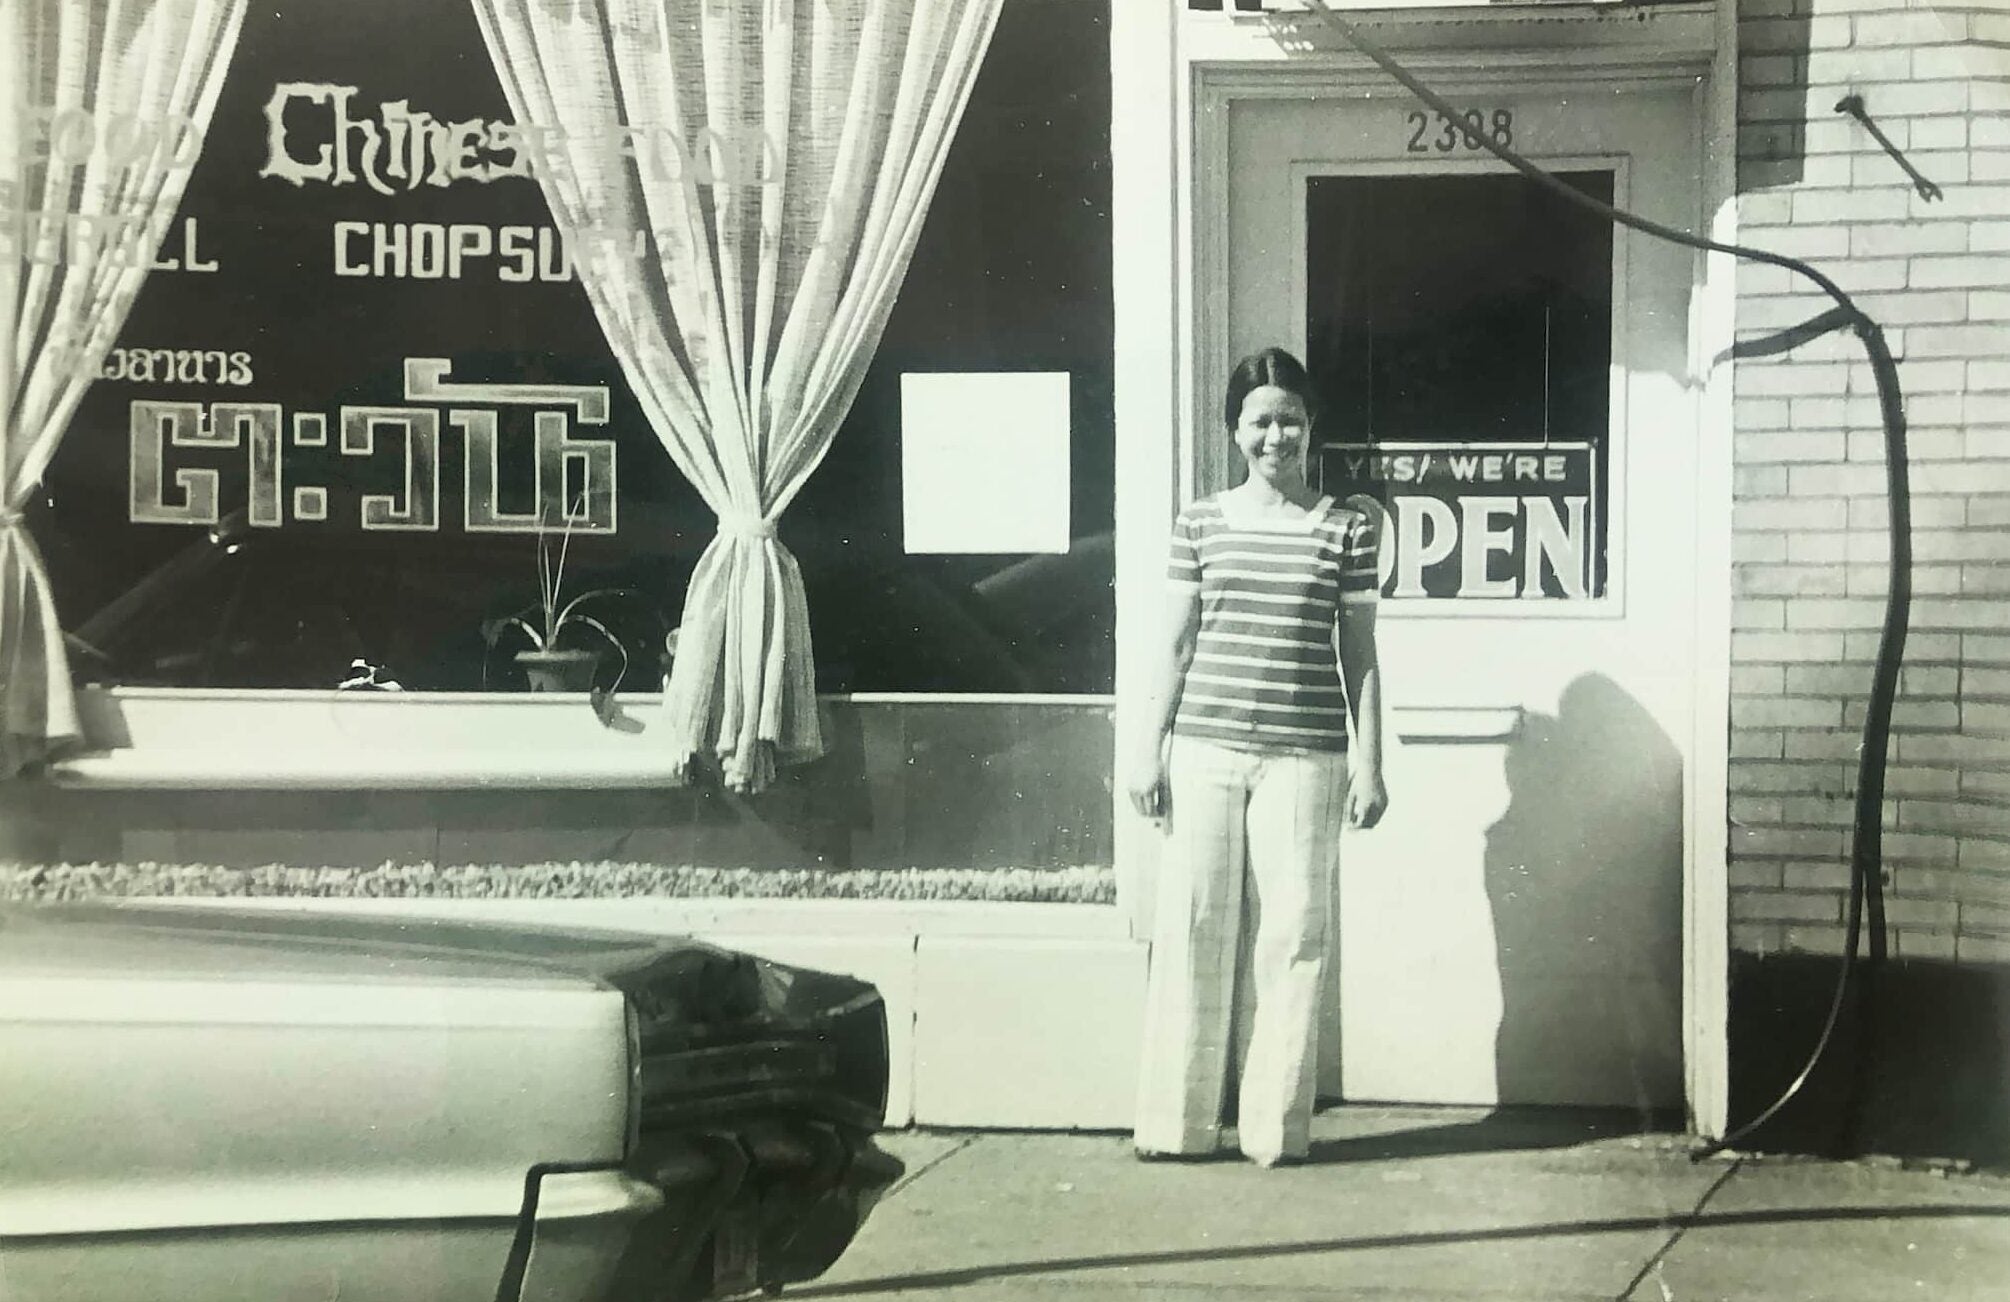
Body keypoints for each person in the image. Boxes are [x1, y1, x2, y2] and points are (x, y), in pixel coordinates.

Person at [1127, 345, 1388, 1168]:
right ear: (1234, 430)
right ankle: (1178, 1125)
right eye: (1260, 420)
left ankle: (1277, 1130)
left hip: (1307, 759)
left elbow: (1362, 652)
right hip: (1205, 750)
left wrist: (1370, 761)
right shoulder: (1200, 521)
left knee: (1295, 937)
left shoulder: (1347, 524)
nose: (1276, 436)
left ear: (1312, 428)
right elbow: (1175, 643)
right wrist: (1148, 748)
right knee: (1197, 927)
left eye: (1291, 419)